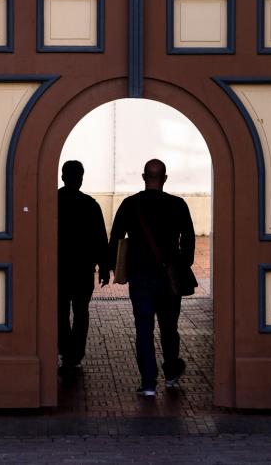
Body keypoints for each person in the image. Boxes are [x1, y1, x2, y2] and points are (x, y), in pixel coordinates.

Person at [104, 159, 195, 397]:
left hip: (141, 277)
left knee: (143, 329)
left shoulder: (130, 204)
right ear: (165, 178)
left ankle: (147, 383)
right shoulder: (178, 205)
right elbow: (188, 242)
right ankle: (171, 371)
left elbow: (115, 239)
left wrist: (113, 268)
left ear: (144, 177)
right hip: (168, 278)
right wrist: (180, 266)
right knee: (169, 327)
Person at [57, 160, 108, 371]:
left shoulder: (52, 201)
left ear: (62, 177)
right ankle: (75, 353)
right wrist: (104, 267)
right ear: (81, 177)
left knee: (59, 311)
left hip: (59, 268)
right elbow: (100, 239)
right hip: (82, 269)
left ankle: (65, 349)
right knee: (81, 312)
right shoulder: (90, 205)